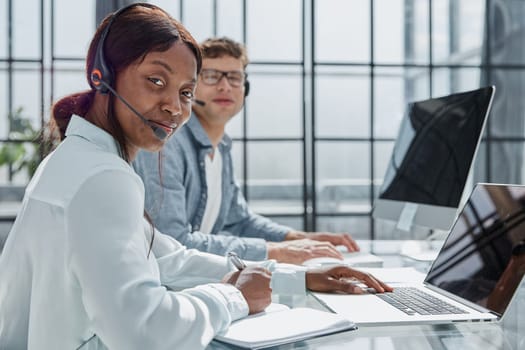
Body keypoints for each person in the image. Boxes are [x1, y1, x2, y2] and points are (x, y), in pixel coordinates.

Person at [0, 4, 392, 349]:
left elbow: (167, 258)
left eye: (185, 92)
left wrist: (296, 277)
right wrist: (234, 298)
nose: (174, 106)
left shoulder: (81, 158)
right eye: (156, 81)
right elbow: (145, 333)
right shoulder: (102, 176)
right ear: (102, 76)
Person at [134, 37, 360, 264]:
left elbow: (239, 220)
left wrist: (298, 238)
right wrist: (278, 251)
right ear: (190, 86)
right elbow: (173, 242)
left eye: (234, 77)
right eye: (211, 76)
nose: (225, 86)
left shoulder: (221, 147)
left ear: (245, 88)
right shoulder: (166, 145)